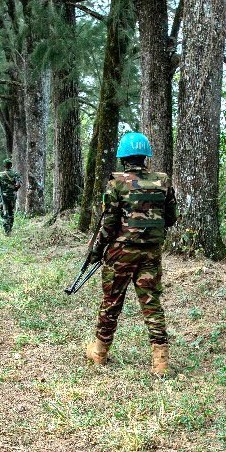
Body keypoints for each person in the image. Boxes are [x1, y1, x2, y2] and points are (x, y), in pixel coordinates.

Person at [84, 132, 177, 377]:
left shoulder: (116, 183)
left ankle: (100, 352)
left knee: (112, 301)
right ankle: (161, 362)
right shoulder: (162, 181)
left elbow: (109, 224)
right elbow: (171, 218)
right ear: (145, 157)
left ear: (123, 158)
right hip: (151, 254)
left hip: (120, 254)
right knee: (151, 303)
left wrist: (96, 250)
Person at [0, 158, 21, 235]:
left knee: (4, 212)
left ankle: (7, 230)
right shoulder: (15, 174)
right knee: (11, 212)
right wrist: (14, 190)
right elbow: (19, 184)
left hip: (3, 196)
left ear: (4, 166)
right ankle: (11, 227)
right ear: (11, 165)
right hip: (13, 196)